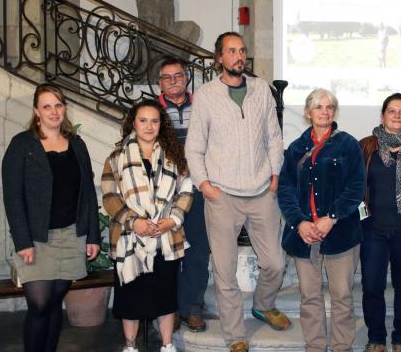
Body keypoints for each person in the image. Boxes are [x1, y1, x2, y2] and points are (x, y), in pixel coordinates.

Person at [185, 32, 290, 352]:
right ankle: (235, 335)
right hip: (222, 196)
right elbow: (194, 148)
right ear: (219, 58)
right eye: (231, 51)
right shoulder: (205, 95)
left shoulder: (261, 90)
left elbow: (274, 138)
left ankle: (263, 304)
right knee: (224, 269)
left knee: (275, 262)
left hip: (261, 191)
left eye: (242, 50)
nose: (238, 56)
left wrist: (274, 176)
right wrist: (204, 184)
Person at [2, 83, 100, 352]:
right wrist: (23, 241)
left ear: (64, 108)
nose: (54, 111)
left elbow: (88, 193)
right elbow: (12, 197)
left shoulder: (77, 144)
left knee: (56, 301)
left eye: (58, 105)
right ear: (36, 111)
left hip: (71, 235)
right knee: (40, 303)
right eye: (47, 106)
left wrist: (92, 235)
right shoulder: (22, 145)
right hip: (36, 239)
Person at [101, 99, 193, 352]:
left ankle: (167, 345)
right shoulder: (117, 158)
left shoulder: (176, 156)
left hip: (166, 238)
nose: (149, 126)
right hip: (129, 238)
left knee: (165, 297)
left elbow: (185, 192)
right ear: (134, 122)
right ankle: (130, 346)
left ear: (161, 124)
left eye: (154, 121)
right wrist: (134, 221)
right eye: (143, 120)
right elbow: (109, 196)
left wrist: (171, 220)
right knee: (130, 298)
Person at [278, 88, 365, 352]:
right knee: (310, 297)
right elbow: (285, 190)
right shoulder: (295, 149)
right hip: (305, 235)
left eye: (329, 107)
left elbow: (356, 188)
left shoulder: (348, 144)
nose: (325, 112)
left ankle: (341, 347)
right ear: (308, 113)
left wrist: (332, 218)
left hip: (341, 233)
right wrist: (300, 223)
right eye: (319, 107)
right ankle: (314, 346)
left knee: (341, 295)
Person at [358, 93, 401, 352]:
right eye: (391, 110)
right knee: (372, 286)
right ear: (382, 115)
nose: (397, 115)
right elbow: (356, 188)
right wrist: (360, 220)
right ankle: (376, 338)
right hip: (372, 231)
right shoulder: (365, 146)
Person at [157, 57, 210, 332]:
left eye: (178, 76)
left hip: (199, 188)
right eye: (167, 77)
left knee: (198, 251)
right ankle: (170, 309)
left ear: (186, 79)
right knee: (167, 253)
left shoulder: (203, 106)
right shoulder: (151, 111)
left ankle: (193, 308)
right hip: (164, 193)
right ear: (160, 83)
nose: (173, 81)